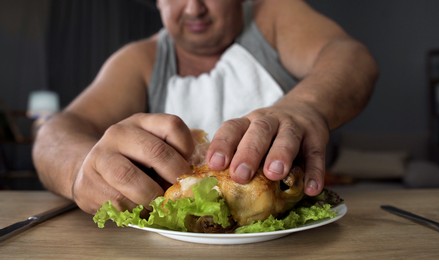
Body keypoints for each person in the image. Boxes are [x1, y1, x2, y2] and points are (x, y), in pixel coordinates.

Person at [32, 0, 378, 215]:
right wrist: (80, 171)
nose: (194, 7)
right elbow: (56, 132)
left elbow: (351, 57)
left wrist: (304, 107)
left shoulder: (273, 16)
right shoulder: (140, 60)